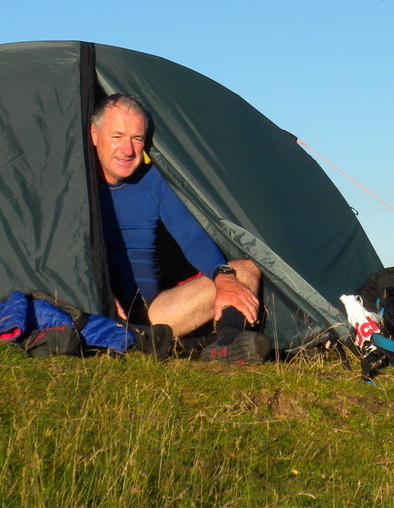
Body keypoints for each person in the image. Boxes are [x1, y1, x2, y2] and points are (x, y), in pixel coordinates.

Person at [90, 93, 270, 363]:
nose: (127, 150)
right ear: (94, 134)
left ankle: (227, 345)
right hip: (91, 305)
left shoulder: (153, 181)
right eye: (117, 136)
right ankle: (123, 339)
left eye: (137, 139)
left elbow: (191, 235)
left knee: (245, 270)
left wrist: (223, 277)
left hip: (155, 314)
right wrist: (93, 292)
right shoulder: (76, 182)